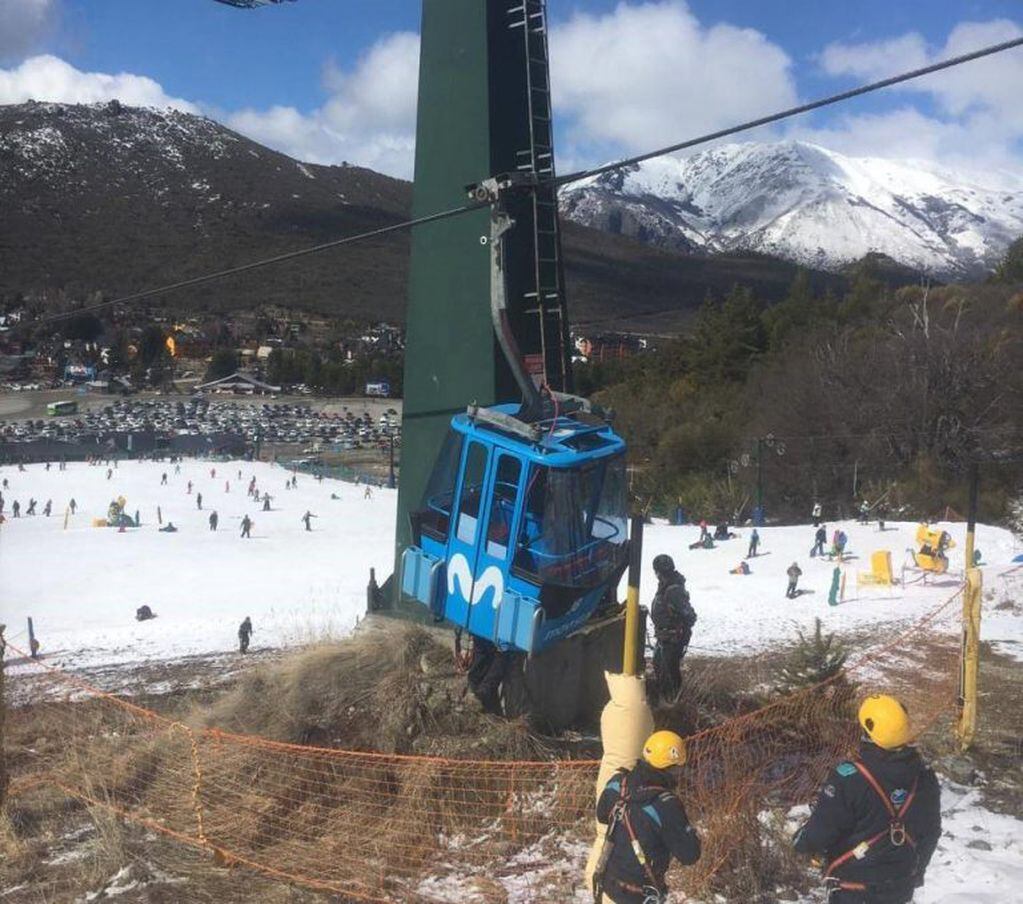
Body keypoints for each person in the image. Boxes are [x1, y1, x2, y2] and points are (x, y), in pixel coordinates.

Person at [794, 694, 941, 904]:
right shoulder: (925, 777)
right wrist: (914, 874)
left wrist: (802, 843)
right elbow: (930, 832)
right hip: (899, 886)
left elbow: (822, 830)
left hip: (854, 888)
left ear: (867, 732)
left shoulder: (849, 778)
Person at [593, 730, 701, 904]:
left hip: (608, 884)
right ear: (672, 768)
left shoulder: (617, 782)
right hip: (639, 895)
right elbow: (690, 855)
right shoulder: (666, 805)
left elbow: (602, 816)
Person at [650, 555, 697, 702]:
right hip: (665, 637)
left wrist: (676, 629)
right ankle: (668, 699)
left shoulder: (673, 589)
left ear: (658, 571)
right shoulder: (666, 585)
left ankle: (672, 703)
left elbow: (689, 615)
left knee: (668, 672)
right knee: (661, 667)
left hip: (672, 639)